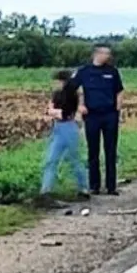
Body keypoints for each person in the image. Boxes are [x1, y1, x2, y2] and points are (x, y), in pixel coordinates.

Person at [70, 43, 124, 195]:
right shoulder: (84, 72)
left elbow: (119, 91)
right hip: (92, 115)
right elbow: (70, 89)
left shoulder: (112, 72)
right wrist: (78, 107)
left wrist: (118, 109)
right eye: (106, 53)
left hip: (110, 115)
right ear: (97, 54)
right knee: (93, 151)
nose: (108, 56)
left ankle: (111, 186)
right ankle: (94, 185)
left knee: (111, 150)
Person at [39, 70, 90, 202]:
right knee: (51, 160)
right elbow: (50, 110)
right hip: (58, 127)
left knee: (74, 159)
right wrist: (53, 111)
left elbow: (64, 113)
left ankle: (83, 188)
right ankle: (46, 190)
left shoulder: (72, 95)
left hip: (68, 127)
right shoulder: (56, 94)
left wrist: (52, 111)